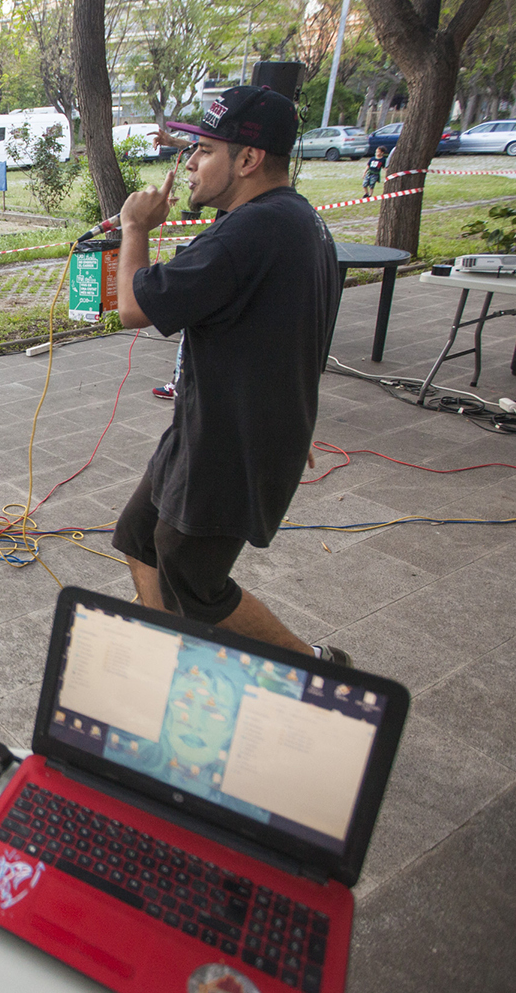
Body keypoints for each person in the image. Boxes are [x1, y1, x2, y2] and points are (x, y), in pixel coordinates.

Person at [111, 85, 352, 665]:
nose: (189, 163)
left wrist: (135, 227)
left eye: (204, 151)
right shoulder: (296, 220)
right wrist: (290, 415)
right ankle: (169, 654)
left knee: (193, 576)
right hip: (217, 426)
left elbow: (132, 309)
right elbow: (292, 329)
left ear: (247, 160)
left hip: (231, 443)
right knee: (140, 535)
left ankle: (313, 666)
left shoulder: (246, 233)